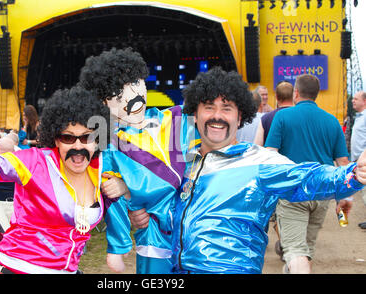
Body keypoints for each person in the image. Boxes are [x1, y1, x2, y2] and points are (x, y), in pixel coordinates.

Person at [130, 66, 365, 274]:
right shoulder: (182, 163)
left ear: (240, 116)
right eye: (209, 107)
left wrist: (352, 175)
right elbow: (172, 210)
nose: (217, 116)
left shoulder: (259, 162)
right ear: (195, 113)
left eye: (227, 108)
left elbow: (307, 178)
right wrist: (146, 216)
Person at [0, 86, 116, 274]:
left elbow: (140, 182)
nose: (78, 146)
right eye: (68, 138)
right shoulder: (34, 163)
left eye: (86, 137)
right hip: (18, 268)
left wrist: (121, 188)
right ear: (56, 139)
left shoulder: (100, 168)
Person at [79, 47, 199, 274]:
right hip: (155, 238)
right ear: (104, 103)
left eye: (135, 83)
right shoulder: (110, 144)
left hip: (195, 229)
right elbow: (112, 198)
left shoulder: (177, 119)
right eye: (117, 93)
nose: (131, 95)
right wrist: (118, 246)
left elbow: (200, 165)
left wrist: (129, 187)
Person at [265, 74, 351, 274]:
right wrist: (343, 196)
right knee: (306, 250)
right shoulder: (332, 121)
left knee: (295, 251)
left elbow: (270, 154)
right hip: (322, 194)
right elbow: (343, 163)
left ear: (296, 93)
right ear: (317, 94)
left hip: (292, 192)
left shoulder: (283, 117)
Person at [254, 81, 294, 146]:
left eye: (266, 94)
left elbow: (257, 146)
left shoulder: (266, 118)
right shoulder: (302, 117)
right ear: (293, 96)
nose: (265, 97)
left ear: (276, 97)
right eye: (262, 95)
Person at [350, 91, 366, 229]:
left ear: (364, 101)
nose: (353, 101)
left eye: (356, 99)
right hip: (358, 161)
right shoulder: (359, 117)